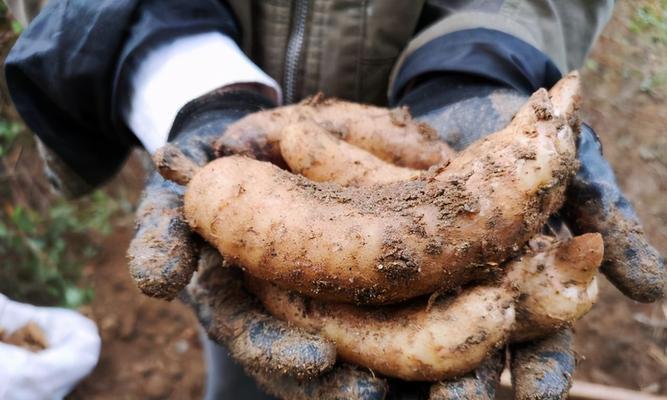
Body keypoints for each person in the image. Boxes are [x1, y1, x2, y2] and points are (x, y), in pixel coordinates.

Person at [4, 1, 664, 399]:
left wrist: (481, 60)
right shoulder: (226, 183)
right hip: (238, 168)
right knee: (265, 352)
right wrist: (187, 80)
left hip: (414, 120)